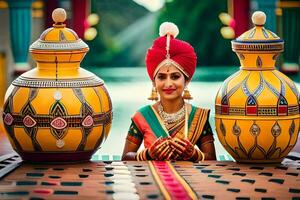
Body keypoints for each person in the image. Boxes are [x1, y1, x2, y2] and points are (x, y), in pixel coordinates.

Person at [122, 22, 216, 161]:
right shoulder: (142, 116)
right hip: (151, 181)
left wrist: (194, 154)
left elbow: (212, 158)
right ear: (154, 82)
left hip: (189, 182)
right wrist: (147, 154)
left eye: (175, 76)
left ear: (187, 81)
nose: (168, 83)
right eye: (161, 77)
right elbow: (125, 157)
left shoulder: (199, 117)